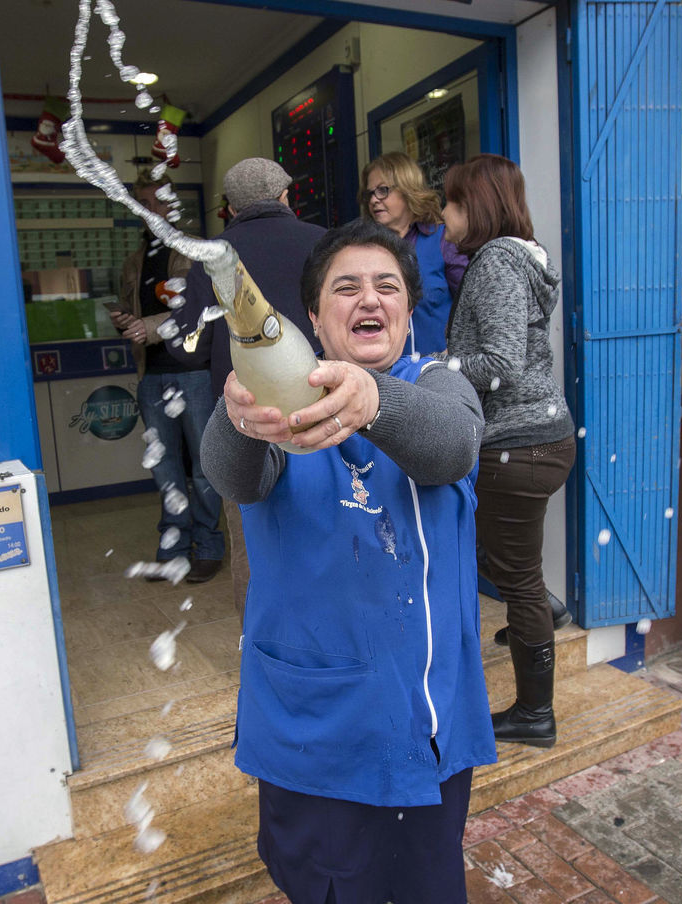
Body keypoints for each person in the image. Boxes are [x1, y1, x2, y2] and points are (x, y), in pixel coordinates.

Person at [201, 218, 491, 904]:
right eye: (347, 287)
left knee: (424, 887)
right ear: (311, 318)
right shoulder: (275, 404)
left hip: (426, 727)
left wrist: (372, 399)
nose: (370, 299)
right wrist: (235, 416)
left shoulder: (441, 387)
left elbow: (452, 447)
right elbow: (234, 479)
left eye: (387, 285)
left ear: (407, 307)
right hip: (317, 736)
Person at [442, 154, 574, 748]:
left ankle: (534, 714)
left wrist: (434, 369)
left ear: (478, 206)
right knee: (493, 553)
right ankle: (543, 610)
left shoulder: (496, 260)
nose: (444, 214)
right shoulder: (523, 256)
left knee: (513, 579)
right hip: (543, 436)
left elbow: (499, 363)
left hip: (514, 445)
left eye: (452, 202)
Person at [173, 157, 326, 615]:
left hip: (246, 418)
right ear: (286, 196)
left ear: (229, 208)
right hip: (321, 409)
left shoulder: (212, 257)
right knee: (327, 525)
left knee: (251, 540)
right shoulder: (324, 243)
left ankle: (257, 641)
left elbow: (187, 349)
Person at [110, 173, 223, 583]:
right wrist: (123, 319)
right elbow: (132, 311)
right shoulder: (133, 261)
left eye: (157, 201)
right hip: (151, 375)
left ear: (172, 204)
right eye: (142, 202)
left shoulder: (193, 251)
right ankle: (174, 549)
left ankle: (208, 548)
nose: (149, 209)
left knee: (204, 468)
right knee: (165, 470)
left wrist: (150, 326)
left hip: (192, 374)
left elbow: (202, 309)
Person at [358, 152, 465, 355]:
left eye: (383, 190)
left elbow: (472, 307)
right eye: (369, 194)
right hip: (387, 376)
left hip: (439, 373)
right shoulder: (365, 249)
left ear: (408, 190)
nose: (373, 200)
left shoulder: (443, 239)